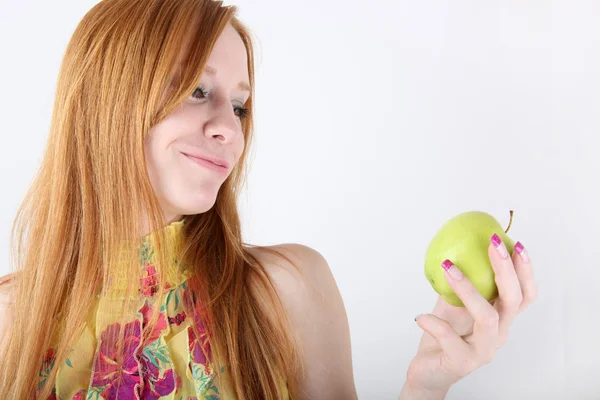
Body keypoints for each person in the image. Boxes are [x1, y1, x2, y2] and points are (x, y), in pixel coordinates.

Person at [0, 0, 538, 399]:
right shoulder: (10, 321)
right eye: (197, 90)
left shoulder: (289, 289)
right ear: (107, 100)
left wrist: (428, 381)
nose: (228, 130)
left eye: (239, 106)